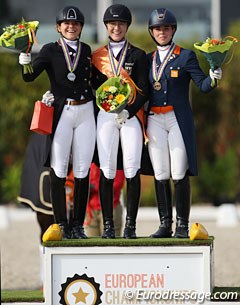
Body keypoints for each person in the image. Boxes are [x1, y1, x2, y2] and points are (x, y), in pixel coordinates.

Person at [18, 6, 96, 239]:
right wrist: (25, 61)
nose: (71, 27)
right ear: (58, 27)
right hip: (63, 112)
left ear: (81, 27)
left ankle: (77, 225)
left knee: (82, 171)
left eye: (75, 24)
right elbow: (30, 76)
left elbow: (92, 79)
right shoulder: (50, 50)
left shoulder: (87, 49)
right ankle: (61, 223)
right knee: (59, 169)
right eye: (66, 24)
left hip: (85, 112)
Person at [146, 8, 222, 238]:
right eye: (158, 29)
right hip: (154, 120)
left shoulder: (185, 56)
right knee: (160, 172)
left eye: (166, 28)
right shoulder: (146, 59)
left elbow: (203, 86)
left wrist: (214, 75)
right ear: (152, 31)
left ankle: (181, 224)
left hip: (176, 118)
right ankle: (164, 224)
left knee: (178, 171)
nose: (162, 32)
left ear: (173, 30)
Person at [91, 4, 149, 239]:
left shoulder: (138, 55)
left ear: (126, 26)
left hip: (130, 116)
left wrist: (130, 110)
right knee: (106, 169)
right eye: (113, 24)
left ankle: (131, 226)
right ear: (107, 26)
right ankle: (108, 226)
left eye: (121, 24)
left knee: (132, 169)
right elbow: (93, 87)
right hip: (105, 116)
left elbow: (144, 90)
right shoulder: (97, 57)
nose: (117, 27)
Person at [84, 163, 125, 237]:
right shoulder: (90, 159)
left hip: (112, 208)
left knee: (111, 243)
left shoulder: (115, 159)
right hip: (91, 209)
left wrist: (94, 187)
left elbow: (118, 183)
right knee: (92, 245)